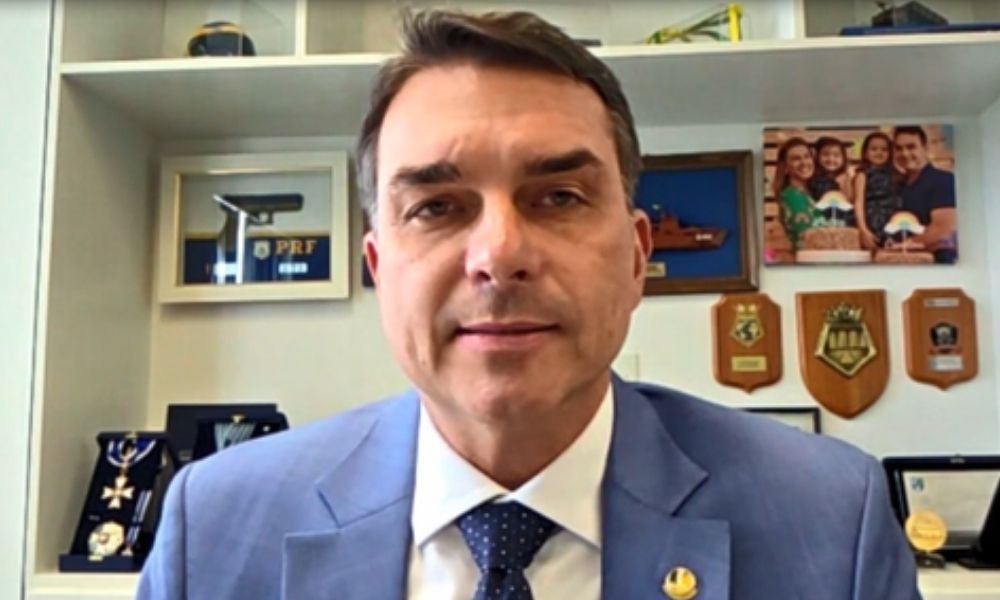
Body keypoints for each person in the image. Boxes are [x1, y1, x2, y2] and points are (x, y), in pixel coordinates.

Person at [138, 10, 920, 600]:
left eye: (559, 196)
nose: (499, 253)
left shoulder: (830, 521)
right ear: (379, 269)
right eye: (437, 207)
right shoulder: (214, 527)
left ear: (637, 257)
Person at [893, 125, 958, 263]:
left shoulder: (943, 180)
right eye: (899, 148)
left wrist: (904, 246)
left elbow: (943, 229)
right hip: (903, 263)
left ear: (925, 148)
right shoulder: (899, 186)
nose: (904, 153)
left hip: (938, 263)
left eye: (911, 147)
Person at [853, 131, 900, 250]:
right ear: (865, 153)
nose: (879, 152)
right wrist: (863, 230)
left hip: (891, 221)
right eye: (874, 149)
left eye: (884, 149)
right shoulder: (863, 175)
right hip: (871, 221)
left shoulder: (894, 174)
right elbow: (858, 202)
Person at [772, 137, 820, 251]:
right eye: (796, 159)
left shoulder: (808, 193)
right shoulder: (791, 196)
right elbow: (805, 238)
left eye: (807, 156)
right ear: (785, 167)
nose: (804, 162)